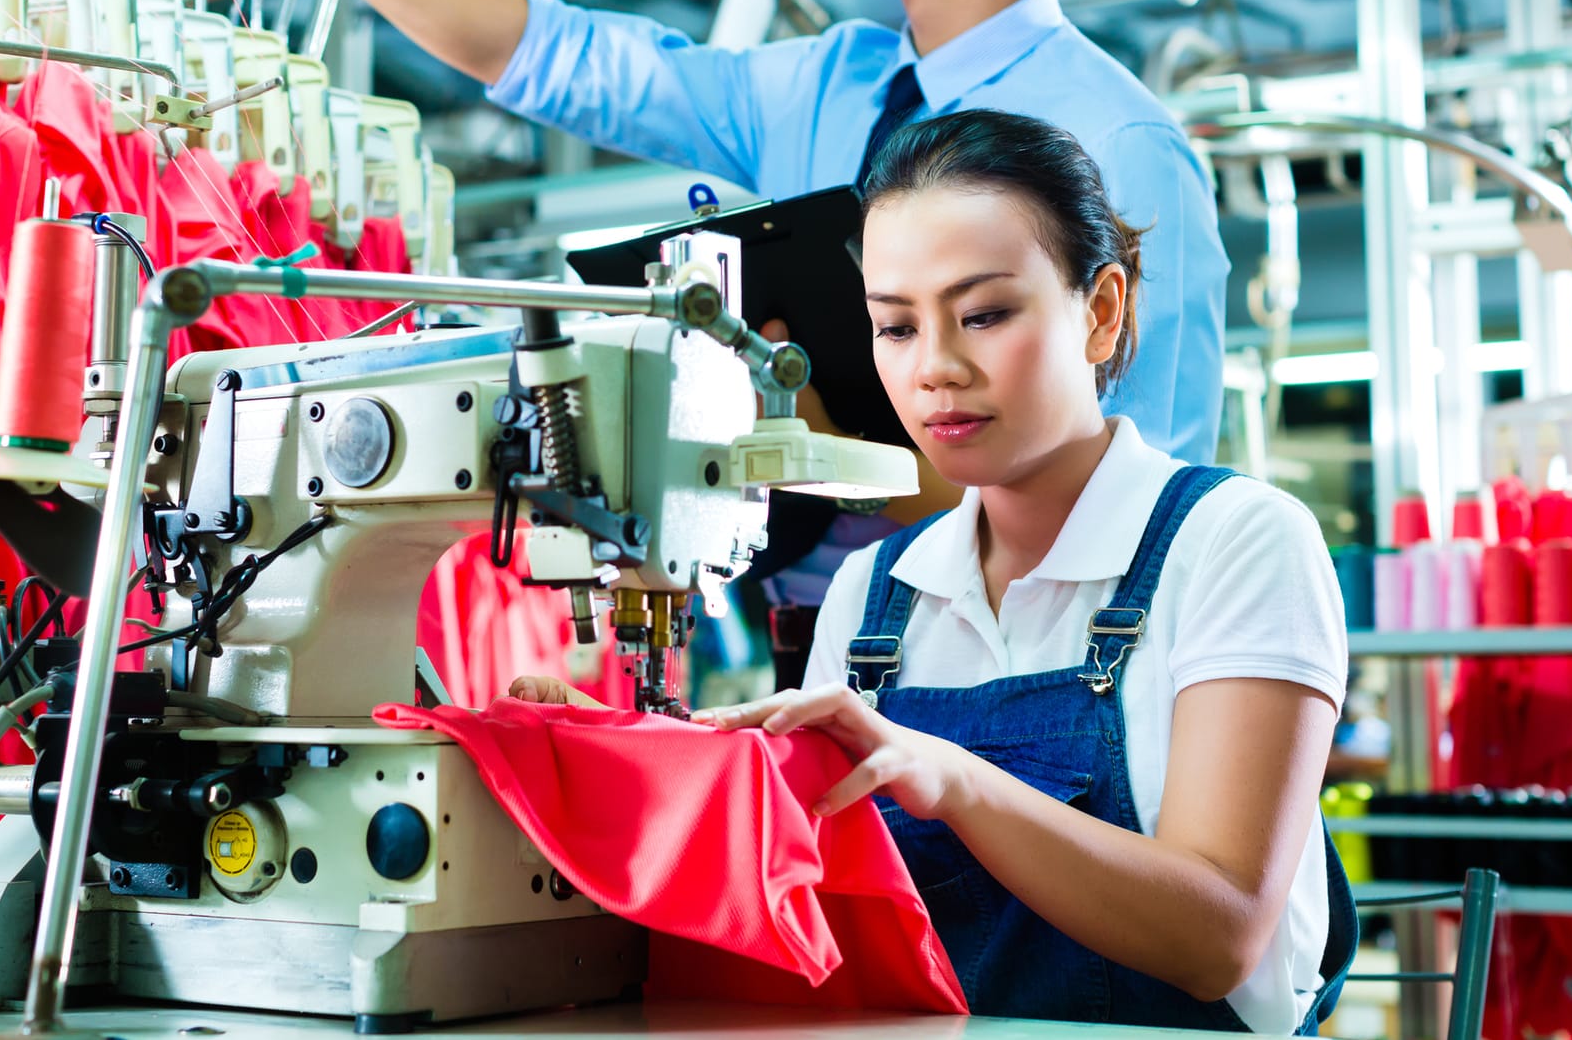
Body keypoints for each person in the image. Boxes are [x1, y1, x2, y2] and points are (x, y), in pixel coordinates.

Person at [146, 0, 1229, 688]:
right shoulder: (821, 84)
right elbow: (564, 57)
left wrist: (849, 462)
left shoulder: (1118, 147)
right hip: (825, 659)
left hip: (1037, 674)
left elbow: (1143, 502)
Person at [512, 110, 1354, 1033]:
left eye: (984, 314)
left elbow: (1220, 933)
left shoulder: (1237, 543)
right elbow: (817, 898)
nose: (935, 369)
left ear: (1101, 310)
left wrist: (955, 779)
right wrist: (626, 772)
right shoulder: (874, 597)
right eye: (896, 326)